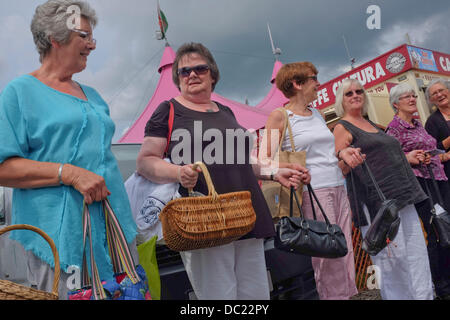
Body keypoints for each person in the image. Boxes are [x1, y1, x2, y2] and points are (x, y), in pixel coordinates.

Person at [136, 42, 310, 300]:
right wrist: (177, 172)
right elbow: (146, 161)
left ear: (213, 74)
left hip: (245, 213)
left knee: (256, 293)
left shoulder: (226, 111)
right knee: (220, 296)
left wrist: (274, 172)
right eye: (184, 71)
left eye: (200, 68)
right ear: (177, 79)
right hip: (205, 220)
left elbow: (241, 160)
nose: (192, 74)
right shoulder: (169, 110)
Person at [0, 0, 137, 299]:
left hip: (112, 231)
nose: (92, 45)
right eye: (84, 37)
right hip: (61, 240)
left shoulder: (94, 96)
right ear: (56, 37)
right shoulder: (19, 93)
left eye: (92, 37)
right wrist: (69, 173)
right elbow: (3, 168)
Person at [262, 62, 363, 300]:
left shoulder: (316, 112)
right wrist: (292, 168)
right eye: (313, 78)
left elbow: (325, 152)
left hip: (339, 184)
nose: (318, 83)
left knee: (343, 249)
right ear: (297, 84)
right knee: (328, 257)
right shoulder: (280, 116)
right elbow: (264, 159)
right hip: (312, 191)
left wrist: (342, 154)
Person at [333, 78, 434, 300]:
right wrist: (348, 159)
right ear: (341, 99)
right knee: (393, 264)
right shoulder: (342, 127)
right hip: (378, 205)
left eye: (359, 91)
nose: (355, 95)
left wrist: (407, 157)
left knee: (417, 257)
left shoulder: (373, 124)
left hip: (403, 197)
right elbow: (340, 167)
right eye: (349, 93)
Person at [386, 82, 450, 300]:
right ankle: (441, 286)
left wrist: (439, 155)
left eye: (413, 96)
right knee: (437, 233)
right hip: (421, 184)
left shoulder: (418, 123)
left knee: (447, 229)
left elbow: (431, 151)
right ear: (395, 104)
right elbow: (392, 160)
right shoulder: (393, 128)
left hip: (439, 179)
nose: (412, 99)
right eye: (406, 97)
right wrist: (412, 159)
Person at [425, 79, 450, 182]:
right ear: (431, 100)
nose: (439, 95)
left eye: (441, 90)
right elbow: (432, 152)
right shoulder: (432, 122)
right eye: (434, 94)